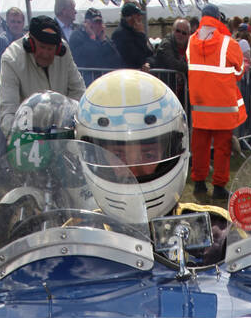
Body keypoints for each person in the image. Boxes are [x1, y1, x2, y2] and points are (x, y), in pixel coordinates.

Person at [75, 69, 188, 218]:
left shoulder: (215, 230)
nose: (133, 171)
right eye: (117, 155)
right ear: (92, 155)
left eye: (148, 154)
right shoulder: (76, 234)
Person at [186, 3, 245, 201]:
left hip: (200, 107)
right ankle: (219, 186)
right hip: (223, 108)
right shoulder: (229, 43)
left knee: (199, 148)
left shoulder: (191, 42)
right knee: (222, 150)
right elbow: (239, 71)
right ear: (218, 19)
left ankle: (199, 183)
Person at [0, 15, 84, 138]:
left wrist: (78, 125)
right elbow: (8, 109)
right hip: (28, 136)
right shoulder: (11, 58)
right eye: (42, 47)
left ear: (58, 49)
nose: (46, 54)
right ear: (31, 44)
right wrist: (16, 138)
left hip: (62, 133)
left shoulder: (64, 51)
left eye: (50, 49)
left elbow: (78, 91)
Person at [70, 8, 121, 73]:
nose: (98, 25)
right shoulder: (77, 36)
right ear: (87, 24)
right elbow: (88, 58)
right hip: (86, 77)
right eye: (96, 22)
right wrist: (92, 38)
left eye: (100, 22)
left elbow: (116, 58)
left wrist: (103, 41)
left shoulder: (102, 37)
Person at [112, 2, 152, 72]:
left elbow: (151, 55)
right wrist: (141, 35)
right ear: (130, 17)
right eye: (138, 15)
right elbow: (136, 58)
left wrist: (148, 63)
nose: (140, 17)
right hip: (127, 76)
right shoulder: (119, 34)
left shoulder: (136, 32)